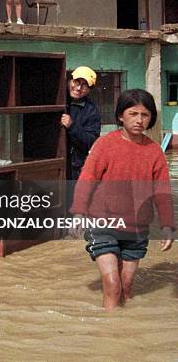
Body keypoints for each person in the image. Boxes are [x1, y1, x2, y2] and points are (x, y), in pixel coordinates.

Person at [70, 89, 175, 310]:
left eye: (145, 115)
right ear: (120, 116)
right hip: (103, 223)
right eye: (133, 113)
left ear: (151, 118)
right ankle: (107, 336)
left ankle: (125, 329)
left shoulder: (154, 151)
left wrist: (167, 226)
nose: (139, 120)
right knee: (112, 284)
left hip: (136, 227)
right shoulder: (104, 145)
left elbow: (162, 192)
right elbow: (87, 178)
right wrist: (78, 213)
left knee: (126, 286)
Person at [61, 67, 101, 181]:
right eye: (76, 82)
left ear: (89, 90)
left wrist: (72, 126)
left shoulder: (91, 111)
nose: (78, 88)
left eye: (84, 85)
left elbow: (90, 141)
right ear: (69, 80)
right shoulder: (58, 98)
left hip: (74, 167)